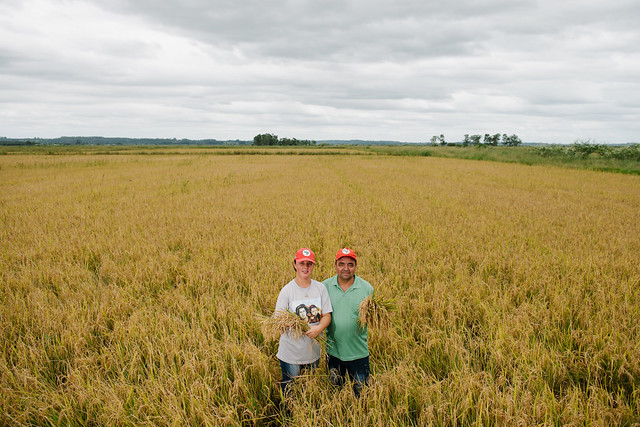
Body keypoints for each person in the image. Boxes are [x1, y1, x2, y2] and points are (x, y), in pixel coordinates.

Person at [275, 248, 332, 395]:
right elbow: (278, 321)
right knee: (291, 391)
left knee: (309, 390)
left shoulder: (320, 288)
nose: (305, 267)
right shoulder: (287, 291)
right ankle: (288, 416)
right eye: (302, 263)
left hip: (313, 353)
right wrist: (290, 322)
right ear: (295, 264)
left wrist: (318, 329)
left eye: (309, 264)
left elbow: (327, 316)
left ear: (313, 266)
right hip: (291, 355)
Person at [322, 247, 373, 397]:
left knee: (362, 396)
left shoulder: (366, 288)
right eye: (341, 264)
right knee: (335, 395)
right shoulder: (324, 287)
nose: (346, 268)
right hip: (333, 352)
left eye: (350, 264)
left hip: (358, 353)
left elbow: (371, 317)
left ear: (356, 266)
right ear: (335, 265)